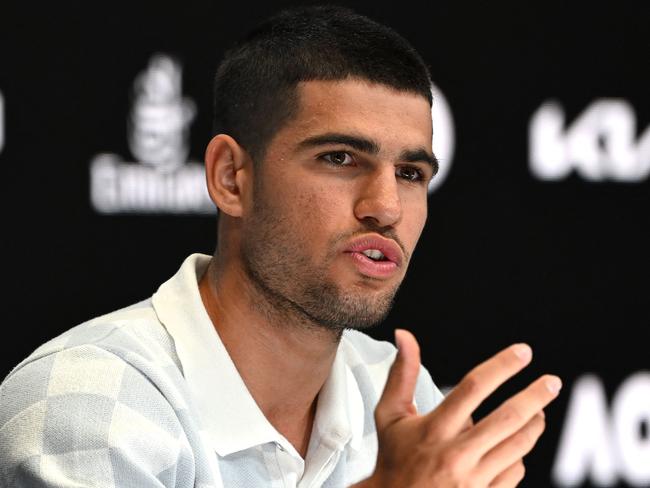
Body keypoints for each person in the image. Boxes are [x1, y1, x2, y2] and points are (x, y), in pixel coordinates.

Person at [0, 5, 561, 487]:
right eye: (340, 158)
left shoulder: (399, 402)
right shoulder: (88, 400)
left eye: (411, 173)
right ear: (231, 177)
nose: (386, 207)